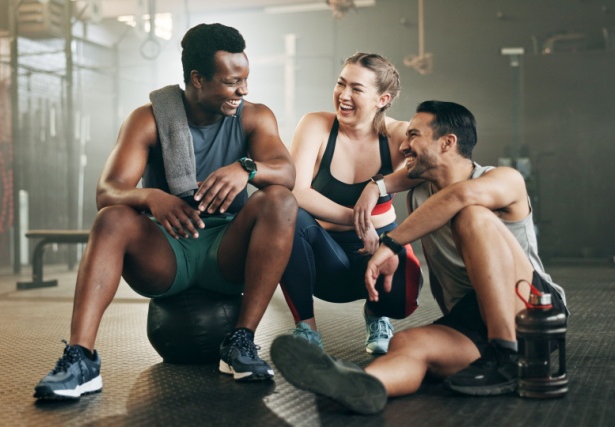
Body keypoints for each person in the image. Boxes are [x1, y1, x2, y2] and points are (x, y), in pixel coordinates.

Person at [33, 23, 298, 400]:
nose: (243, 90)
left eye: (245, 79)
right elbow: (107, 191)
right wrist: (150, 197)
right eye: (231, 81)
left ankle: (241, 342)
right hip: (168, 251)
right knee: (111, 218)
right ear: (197, 79)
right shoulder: (148, 119)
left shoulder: (255, 117)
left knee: (280, 200)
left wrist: (247, 168)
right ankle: (81, 360)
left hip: (227, 249)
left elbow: (286, 173)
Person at [270, 100, 567, 414]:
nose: (403, 144)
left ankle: (506, 353)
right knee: (407, 345)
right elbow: (441, 275)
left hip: (533, 308)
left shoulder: (504, 179)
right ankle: (361, 384)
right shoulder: (421, 196)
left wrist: (391, 243)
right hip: (473, 318)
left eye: (413, 136)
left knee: (471, 217)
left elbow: (460, 195)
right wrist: (376, 185)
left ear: (447, 142)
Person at [278, 53, 423, 354]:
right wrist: (358, 220)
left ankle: (377, 315)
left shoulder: (398, 133)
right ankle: (307, 331)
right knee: (287, 216)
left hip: (378, 252)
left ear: (382, 99)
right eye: (341, 84)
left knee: (403, 293)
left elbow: (429, 167)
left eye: (356, 89)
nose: (343, 95)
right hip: (323, 258)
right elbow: (298, 192)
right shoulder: (315, 125)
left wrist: (377, 186)